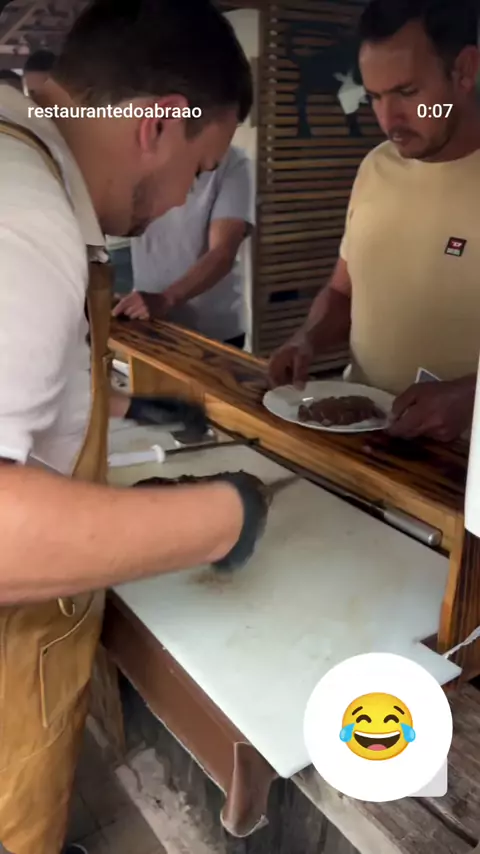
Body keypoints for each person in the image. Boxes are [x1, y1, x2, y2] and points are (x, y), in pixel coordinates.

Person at [0, 1, 270, 852]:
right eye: (199, 168)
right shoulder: (27, 219)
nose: (189, 195)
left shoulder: (23, 161)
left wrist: (125, 407)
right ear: (156, 124)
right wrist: (222, 516)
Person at [268, 0, 480, 443]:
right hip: (364, 439)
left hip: (462, 464)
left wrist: (469, 398)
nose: (388, 120)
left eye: (407, 93)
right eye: (375, 97)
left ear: (464, 71)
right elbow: (343, 291)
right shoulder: (375, 167)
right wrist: (308, 338)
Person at [114, 145, 254, 349]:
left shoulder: (233, 161)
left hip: (214, 329)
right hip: (147, 318)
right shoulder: (136, 155)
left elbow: (222, 252)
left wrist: (165, 299)